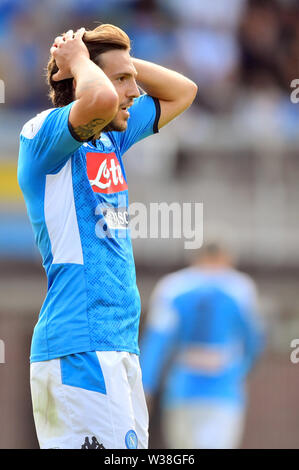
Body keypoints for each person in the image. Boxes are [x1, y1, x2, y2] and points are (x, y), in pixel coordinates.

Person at [17, 24, 197, 449]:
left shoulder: (110, 139)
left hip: (117, 345)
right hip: (81, 346)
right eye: (123, 81)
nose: (135, 91)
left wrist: (118, 62)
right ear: (77, 79)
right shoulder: (42, 135)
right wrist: (80, 60)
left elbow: (183, 92)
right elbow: (97, 99)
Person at [140, 242, 264, 449]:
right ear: (227, 258)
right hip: (224, 391)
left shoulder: (173, 287)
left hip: (183, 388)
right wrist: (242, 371)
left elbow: (156, 341)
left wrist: (145, 386)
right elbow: (254, 340)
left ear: (195, 258)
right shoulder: (240, 288)